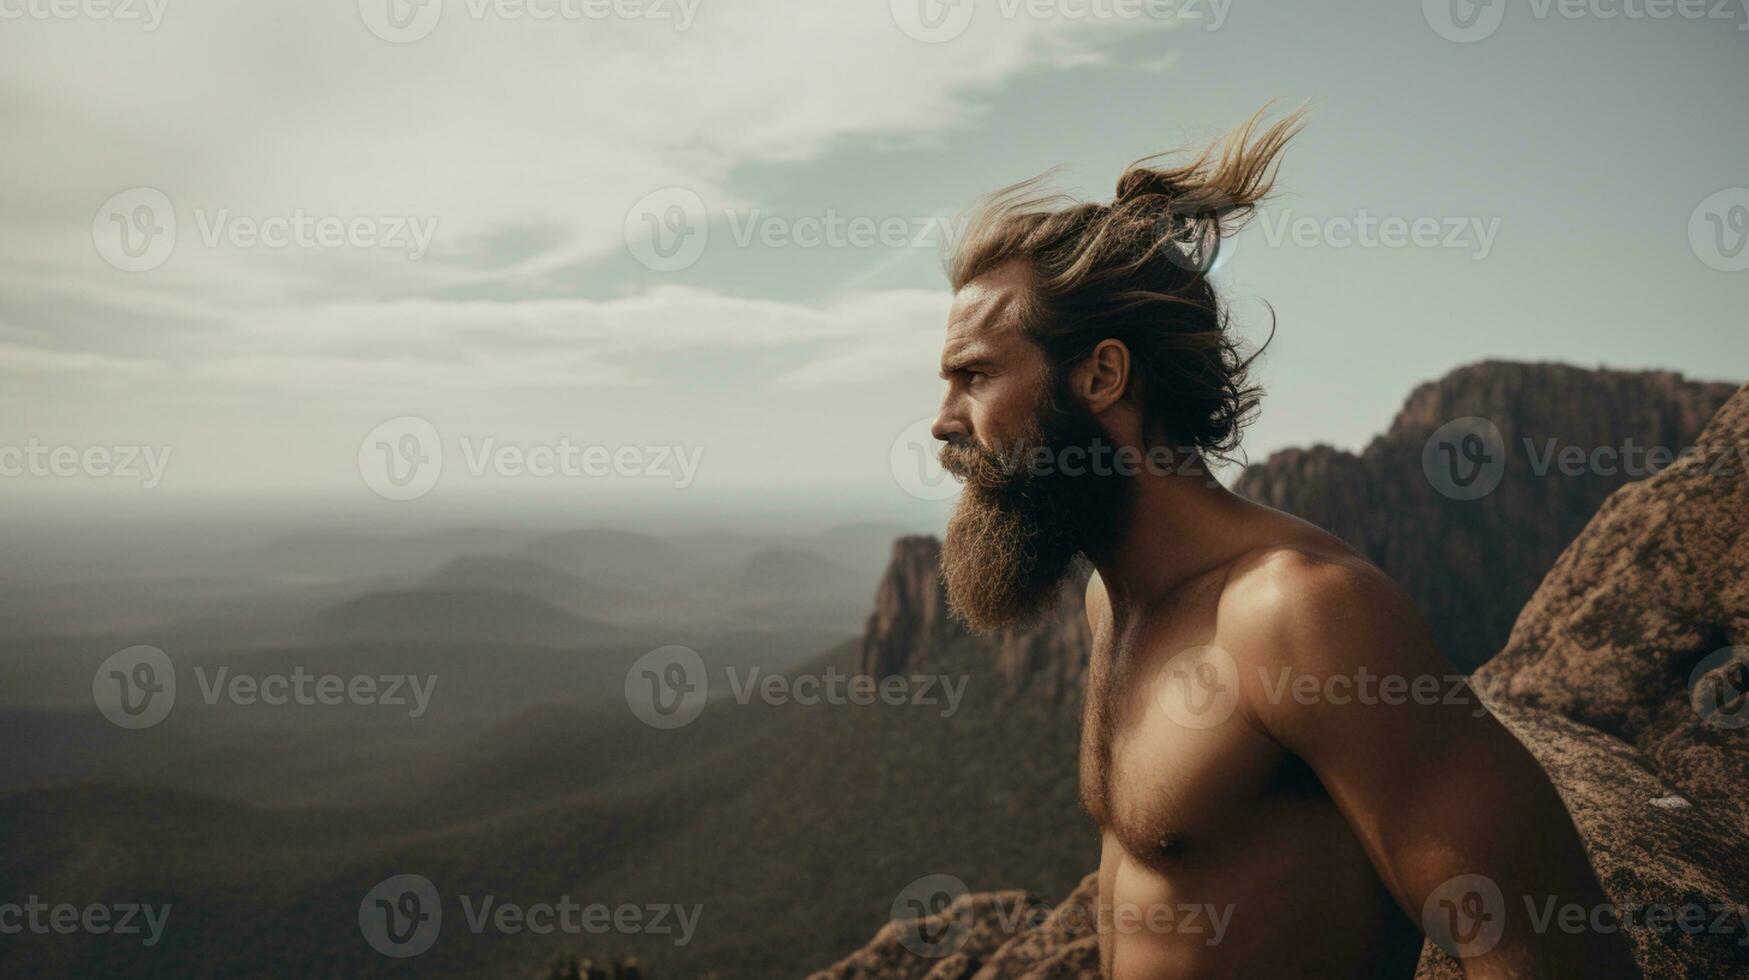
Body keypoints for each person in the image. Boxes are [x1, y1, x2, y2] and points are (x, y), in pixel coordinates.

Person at [927, 106, 1639, 979]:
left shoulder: (1296, 612)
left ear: (1101, 375)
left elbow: (1548, 953)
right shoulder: (1110, 599)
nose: (941, 422)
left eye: (974, 375)